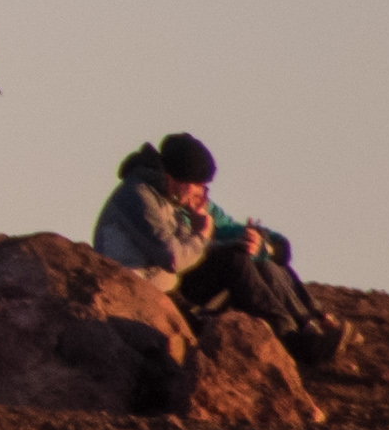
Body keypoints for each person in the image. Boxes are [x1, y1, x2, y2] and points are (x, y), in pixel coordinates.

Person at [91, 131, 352, 372]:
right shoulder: (139, 197)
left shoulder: (169, 196)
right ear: (178, 180)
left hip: (171, 281)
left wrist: (265, 245)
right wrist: (202, 234)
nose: (203, 193)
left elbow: (200, 241)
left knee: (246, 255)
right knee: (234, 261)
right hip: (144, 290)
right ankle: (294, 342)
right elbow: (173, 258)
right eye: (199, 185)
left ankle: (306, 329)